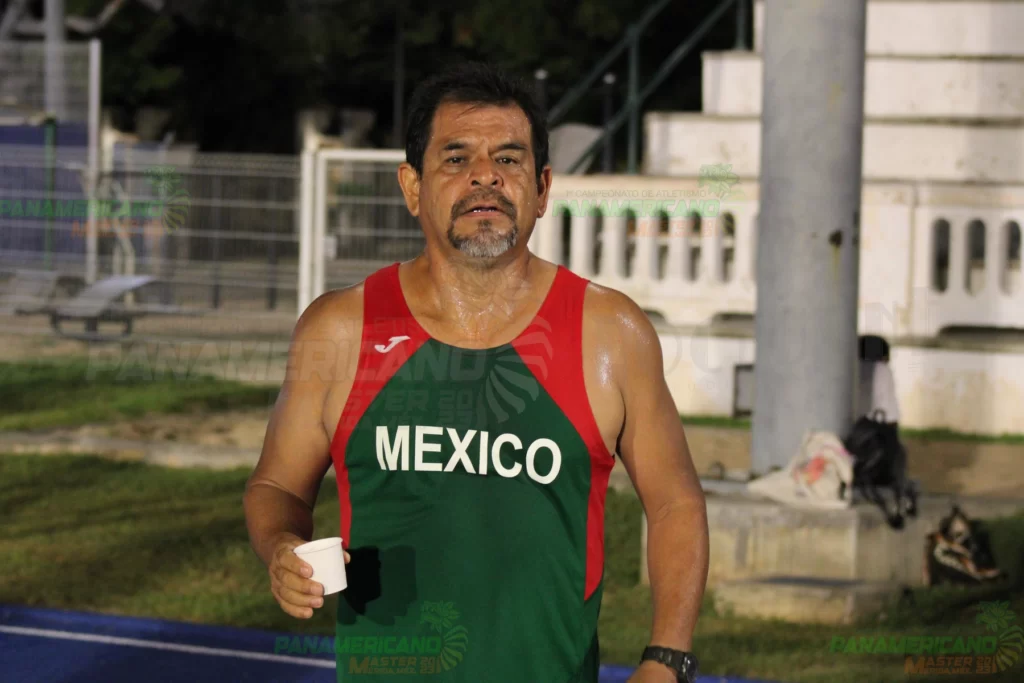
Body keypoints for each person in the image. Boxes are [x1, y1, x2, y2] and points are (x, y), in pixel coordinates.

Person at [243, 61, 709, 683]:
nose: (485, 175)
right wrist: (281, 546)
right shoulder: (339, 330)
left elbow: (676, 502)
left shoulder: (611, 333)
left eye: (509, 159)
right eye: (457, 158)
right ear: (412, 186)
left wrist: (668, 659)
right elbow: (277, 487)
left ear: (542, 188)